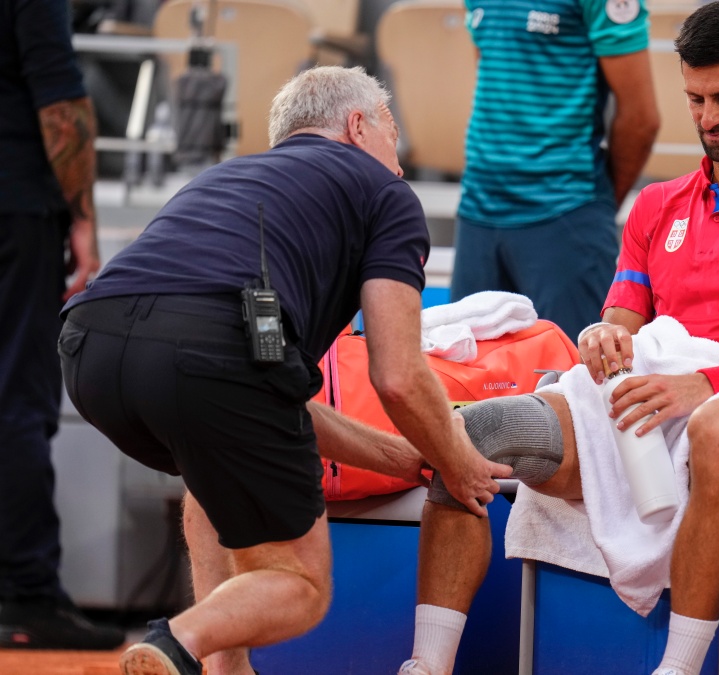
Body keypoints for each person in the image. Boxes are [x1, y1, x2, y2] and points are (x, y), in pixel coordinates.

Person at [403, 3, 719, 674]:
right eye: (695, 99)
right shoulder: (655, 205)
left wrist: (702, 384)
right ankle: (427, 663)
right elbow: (619, 321)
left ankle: (677, 668)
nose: (709, 117)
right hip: (646, 402)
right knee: (470, 434)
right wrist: (601, 337)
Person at [58, 66, 513, 675]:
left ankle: (227, 668)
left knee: (211, 469)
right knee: (300, 585)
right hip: (209, 354)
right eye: (394, 141)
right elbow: (399, 375)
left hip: (89, 350)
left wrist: (398, 454)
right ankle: (176, 643)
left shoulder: (226, 178)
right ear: (358, 126)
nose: (400, 166)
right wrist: (459, 464)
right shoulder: (384, 193)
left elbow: (261, 397)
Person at [0, 0, 121, 650]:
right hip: (16, 205)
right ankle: (27, 595)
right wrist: (82, 216)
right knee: (17, 398)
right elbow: (60, 104)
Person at [449, 0, 661, 341]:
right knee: (465, 383)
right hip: (478, 207)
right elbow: (491, 73)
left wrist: (595, 206)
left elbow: (642, 120)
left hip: (565, 211)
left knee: (575, 383)